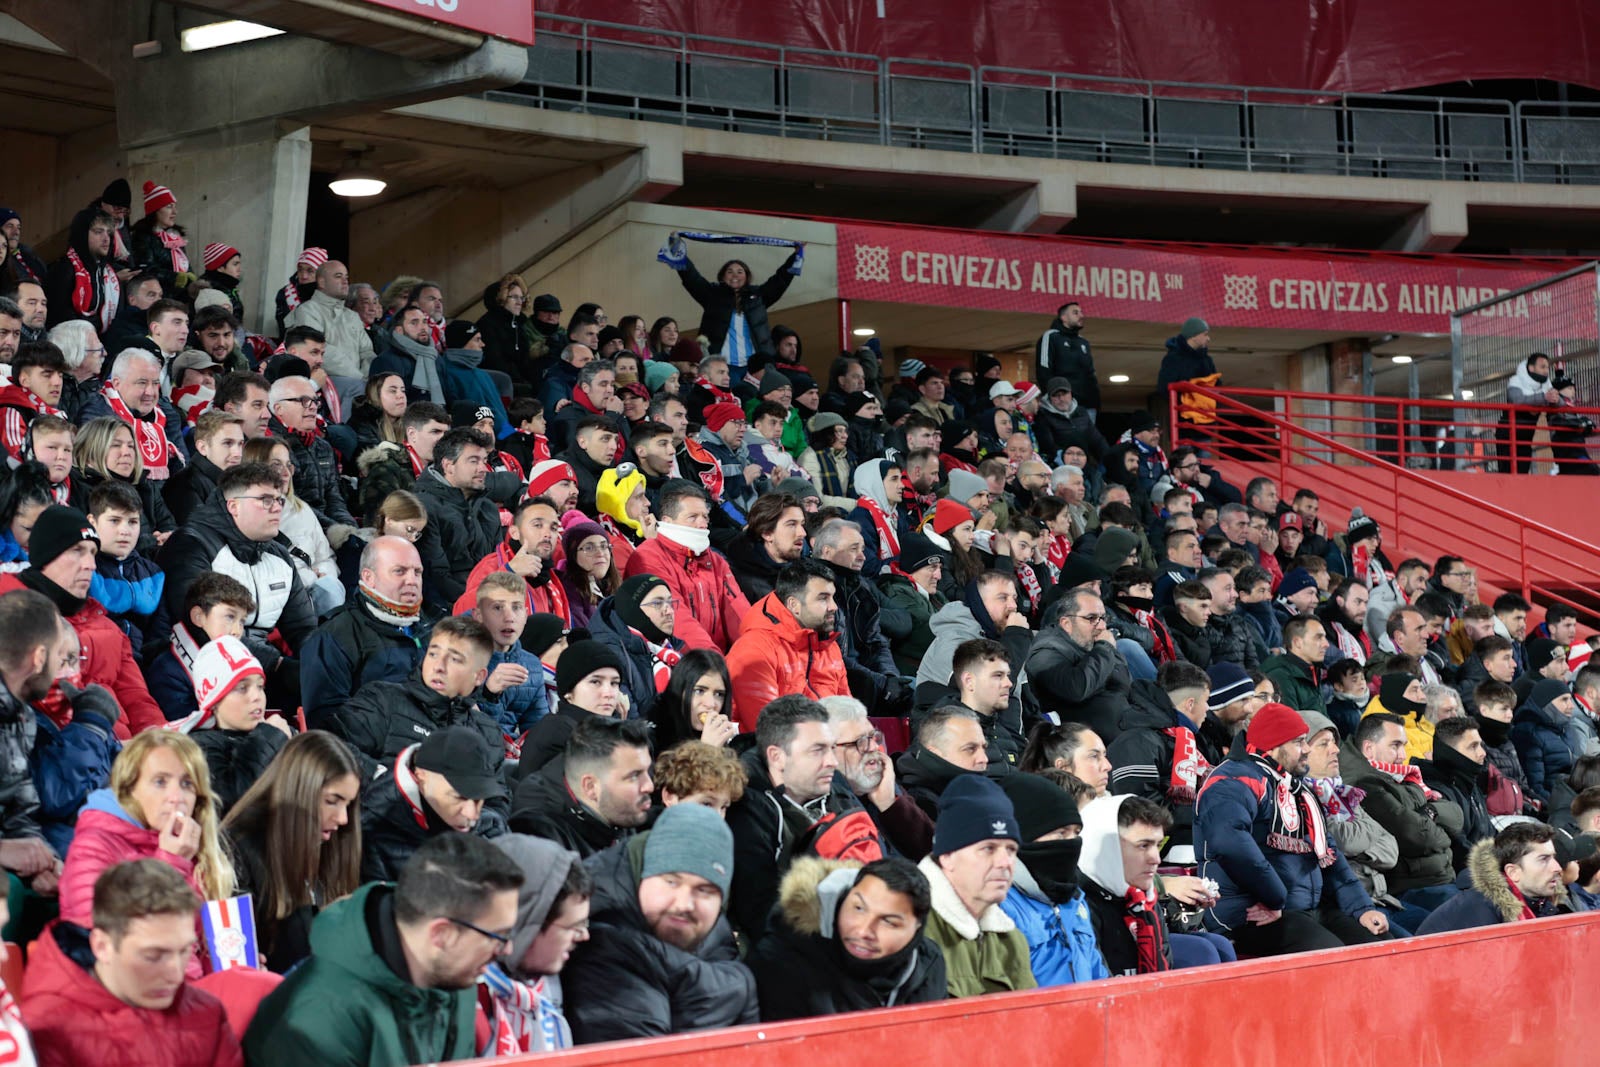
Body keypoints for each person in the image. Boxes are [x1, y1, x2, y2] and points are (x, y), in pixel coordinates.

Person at [245, 833, 523, 1067]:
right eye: (496, 936)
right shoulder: (314, 1022)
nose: (507, 948)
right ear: (442, 934)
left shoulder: (454, 975)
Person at [1194, 703, 1389, 957]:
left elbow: (1329, 856)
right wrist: (1275, 899)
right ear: (1274, 745)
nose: (1306, 748)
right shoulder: (1232, 781)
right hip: (1248, 916)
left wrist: (1362, 908)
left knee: (1381, 947)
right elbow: (1230, 843)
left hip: (1302, 909)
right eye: (1299, 742)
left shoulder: (1298, 790)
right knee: (1333, 958)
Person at [562, 802, 758, 1042]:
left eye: (704, 890)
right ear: (644, 872)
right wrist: (738, 986)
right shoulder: (600, 928)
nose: (684, 904)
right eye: (671, 882)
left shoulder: (708, 924)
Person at [23, 859, 244, 1067]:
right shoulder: (45, 1028)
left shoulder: (208, 1012)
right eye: (154, 956)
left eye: (185, 950)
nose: (176, 975)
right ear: (102, 946)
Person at [59, 731, 233, 979]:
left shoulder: (189, 848)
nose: (177, 798)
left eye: (187, 784)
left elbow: (198, 951)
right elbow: (108, 943)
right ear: (129, 790)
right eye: (160, 782)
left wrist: (234, 965)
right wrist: (170, 866)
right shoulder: (94, 846)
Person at [0, 505, 165, 736]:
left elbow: (138, 699)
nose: (91, 565)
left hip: (125, 758)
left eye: (92, 553)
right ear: (47, 555)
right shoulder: (8, 612)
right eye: (77, 550)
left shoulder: (108, 627)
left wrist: (160, 740)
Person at [222, 730, 361, 974]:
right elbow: (234, 962)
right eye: (332, 801)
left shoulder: (330, 845)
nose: (343, 819)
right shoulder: (236, 847)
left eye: (348, 804)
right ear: (299, 789)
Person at [726, 694, 861, 938]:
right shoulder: (744, 806)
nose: (832, 761)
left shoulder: (836, 789)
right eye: (818, 750)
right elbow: (760, 913)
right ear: (777, 757)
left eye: (832, 748)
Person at [747, 855, 946, 1019]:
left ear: (917, 928)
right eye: (858, 908)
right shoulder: (783, 956)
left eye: (888, 921)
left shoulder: (928, 963)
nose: (863, 931)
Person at [158, 463, 319, 657]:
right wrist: (277, 666)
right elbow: (201, 629)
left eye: (279, 500)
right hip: (203, 665)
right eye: (266, 500)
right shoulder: (190, 545)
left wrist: (316, 666)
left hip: (262, 663)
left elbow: (303, 628)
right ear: (234, 506)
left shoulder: (280, 555)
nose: (277, 508)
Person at [331, 616, 504, 779]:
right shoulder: (382, 700)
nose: (438, 667)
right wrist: (397, 784)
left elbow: (497, 802)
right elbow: (332, 749)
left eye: (454, 659)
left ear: (479, 677)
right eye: (433, 654)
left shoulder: (489, 734)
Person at [916, 774, 1035, 996]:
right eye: (988, 848)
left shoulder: (1011, 939)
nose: (1005, 863)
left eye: (1010, 849)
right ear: (947, 857)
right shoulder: (911, 926)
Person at [1338, 713, 1463, 914]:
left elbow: (1457, 815)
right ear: (1369, 749)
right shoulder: (1363, 784)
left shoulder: (1399, 775)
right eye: (1395, 745)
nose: (1403, 755)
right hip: (1410, 887)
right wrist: (1436, 825)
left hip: (1438, 878)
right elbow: (1416, 837)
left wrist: (1428, 811)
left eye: (1404, 745)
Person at [300, 535, 427, 730]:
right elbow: (327, 725)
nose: (412, 580)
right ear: (369, 577)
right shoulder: (334, 636)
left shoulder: (433, 629)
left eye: (417, 572)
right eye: (399, 571)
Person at [478, 835, 589, 1055]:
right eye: (573, 927)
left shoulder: (542, 985)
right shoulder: (470, 1002)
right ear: (527, 924)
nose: (584, 936)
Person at [997, 772, 1108, 985]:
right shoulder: (999, 904)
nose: (1072, 843)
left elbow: (1100, 981)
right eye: (1061, 833)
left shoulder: (1075, 899)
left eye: (1076, 832)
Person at [1107, 661, 1218, 858]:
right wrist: (1203, 813)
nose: (1208, 709)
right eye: (1207, 700)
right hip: (1147, 845)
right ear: (1190, 703)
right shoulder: (1138, 740)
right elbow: (1139, 808)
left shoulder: (1182, 740)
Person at [623, 480, 750, 653]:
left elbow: (739, 612)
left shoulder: (715, 561)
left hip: (717, 662)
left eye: (705, 517)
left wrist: (758, 654)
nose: (702, 524)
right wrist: (713, 665)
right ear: (668, 521)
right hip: (677, 665)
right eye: (693, 517)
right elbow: (678, 621)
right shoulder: (649, 557)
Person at [726, 559, 851, 730]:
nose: (834, 607)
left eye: (833, 597)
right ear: (794, 605)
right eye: (823, 599)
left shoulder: (828, 646)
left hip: (822, 748)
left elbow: (850, 716)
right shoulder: (754, 649)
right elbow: (767, 730)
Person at [173, 636, 289, 816]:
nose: (256, 696)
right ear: (214, 701)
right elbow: (231, 802)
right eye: (242, 688)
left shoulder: (276, 734)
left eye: (260, 686)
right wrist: (269, 737)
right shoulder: (198, 747)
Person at [509, 716, 654, 858]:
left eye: (647, 771)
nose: (649, 786)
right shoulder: (540, 840)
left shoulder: (616, 807)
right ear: (590, 787)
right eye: (634, 776)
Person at [664, 238, 802, 373]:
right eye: (729, 272)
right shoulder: (712, 295)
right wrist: (676, 245)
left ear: (747, 277)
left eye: (740, 272)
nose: (735, 275)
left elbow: (781, 279)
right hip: (721, 367)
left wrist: (796, 255)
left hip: (756, 368)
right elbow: (691, 277)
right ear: (722, 277)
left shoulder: (759, 296)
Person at [1417, 822, 1572, 933]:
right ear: (1513, 872)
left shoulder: (1539, 902)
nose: (1557, 868)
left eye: (1553, 858)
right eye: (1543, 859)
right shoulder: (1479, 909)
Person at [1023, 589, 1132, 743]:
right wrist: (1105, 648)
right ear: (1066, 623)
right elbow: (1076, 688)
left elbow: (1124, 683)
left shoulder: (1091, 644)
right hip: (1078, 744)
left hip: (1122, 732)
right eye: (1091, 618)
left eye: (1103, 618)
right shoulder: (1045, 651)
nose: (1101, 626)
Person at [414, 428, 502, 608]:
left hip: (490, 604)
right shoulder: (423, 507)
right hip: (450, 610)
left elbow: (499, 566)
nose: (483, 469)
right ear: (448, 466)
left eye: (484, 461)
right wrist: (481, 604)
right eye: (473, 461)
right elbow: (437, 577)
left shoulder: (488, 509)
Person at [514, 640, 628, 776]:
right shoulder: (555, 733)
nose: (609, 693)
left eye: (614, 683)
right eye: (595, 682)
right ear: (569, 692)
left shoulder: (611, 729)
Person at [1416, 716, 1495, 873]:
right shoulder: (1436, 793)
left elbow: (1490, 833)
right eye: (1473, 746)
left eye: (1481, 745)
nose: (1482, 753)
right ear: (1450, 753)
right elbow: (1458, 850)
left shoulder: (1469, 784)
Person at [1512, 677, 1579, 804]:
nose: (1571, 706)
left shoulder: (1566, 728)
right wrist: (1566, 806)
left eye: (1570, 699)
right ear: (1546, 702)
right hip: (1554, 807)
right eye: (1564, 700)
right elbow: (1535, 786)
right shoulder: (1528, 733)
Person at [1035, 302, 1099, 419]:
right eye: (1075, 313)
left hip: (1086, 407)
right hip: (1061, 406)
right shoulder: (1051, 337)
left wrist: (1095, 403)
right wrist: (1054, 399)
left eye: (1081, 312)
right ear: (1063, 317)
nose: (1081, 316)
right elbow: (1043, 370)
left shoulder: (1083, 342)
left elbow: (1091, 374)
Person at [1262, 616, 1329, 716]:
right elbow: (1291, 726)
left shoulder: (1312, 671)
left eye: (1325, 638)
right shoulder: (1280, 676)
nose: (1326, 644)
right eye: (1318, 638)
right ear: (1297, 642)